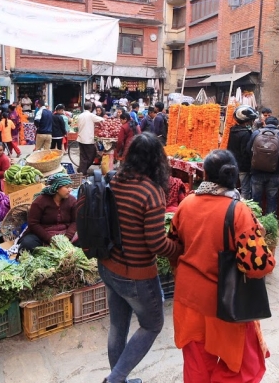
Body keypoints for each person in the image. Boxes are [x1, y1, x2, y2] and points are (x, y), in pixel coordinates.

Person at [169, 149, 275, 382]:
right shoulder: (239, 211)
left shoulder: (186, 204)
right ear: (234, 176)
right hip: (224, 304)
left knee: (196, 366)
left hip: (187, 298)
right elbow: (259, 266)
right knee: (241, 366)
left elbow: (173, 246)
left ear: (204, 173)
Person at [92, 133, 181, 383]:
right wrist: (179, 249)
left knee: (118, 326)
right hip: (136, 274)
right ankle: (114, 379)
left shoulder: (117, 179)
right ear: (157, 160)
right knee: (152, 325)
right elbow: (156, 243)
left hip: (109, 265)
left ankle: (117, 379)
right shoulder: (151, 192)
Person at [19, 173, 76, 253]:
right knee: (28, 244)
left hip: (65, 234)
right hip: (43, 234)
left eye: (70, 187)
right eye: (67, 187)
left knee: (86, 241)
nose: (70, 189)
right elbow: (33, 223)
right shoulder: (40, 201)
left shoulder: (72, 201)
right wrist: (50, 239)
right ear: (56, 188)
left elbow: (75, 221)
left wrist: (67, 238)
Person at [248, 116, 279, 215]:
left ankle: (256, 221)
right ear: (277, 125)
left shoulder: (256, 133)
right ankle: (270, 222)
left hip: (256, 171)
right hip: (274, 172)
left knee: (255, 198)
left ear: (264, 123)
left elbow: (248, 149)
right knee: (272, 198)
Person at [227, 105, 257, 200]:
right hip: (243, 167)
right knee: (245, 189)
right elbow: (245, 152)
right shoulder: (246, 133)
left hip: (233, 163)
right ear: (247, 120)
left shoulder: (233, 130)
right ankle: (244, 208)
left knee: (233, 188)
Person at [77, 102, 105, 176]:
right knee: (91, 156)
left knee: (83, 156)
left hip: (80, 138)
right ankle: (83, 170)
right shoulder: (90, 115)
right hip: (87, 140)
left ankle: (82, 170)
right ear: (91, 108)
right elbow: (101, 119)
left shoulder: (80, 115)